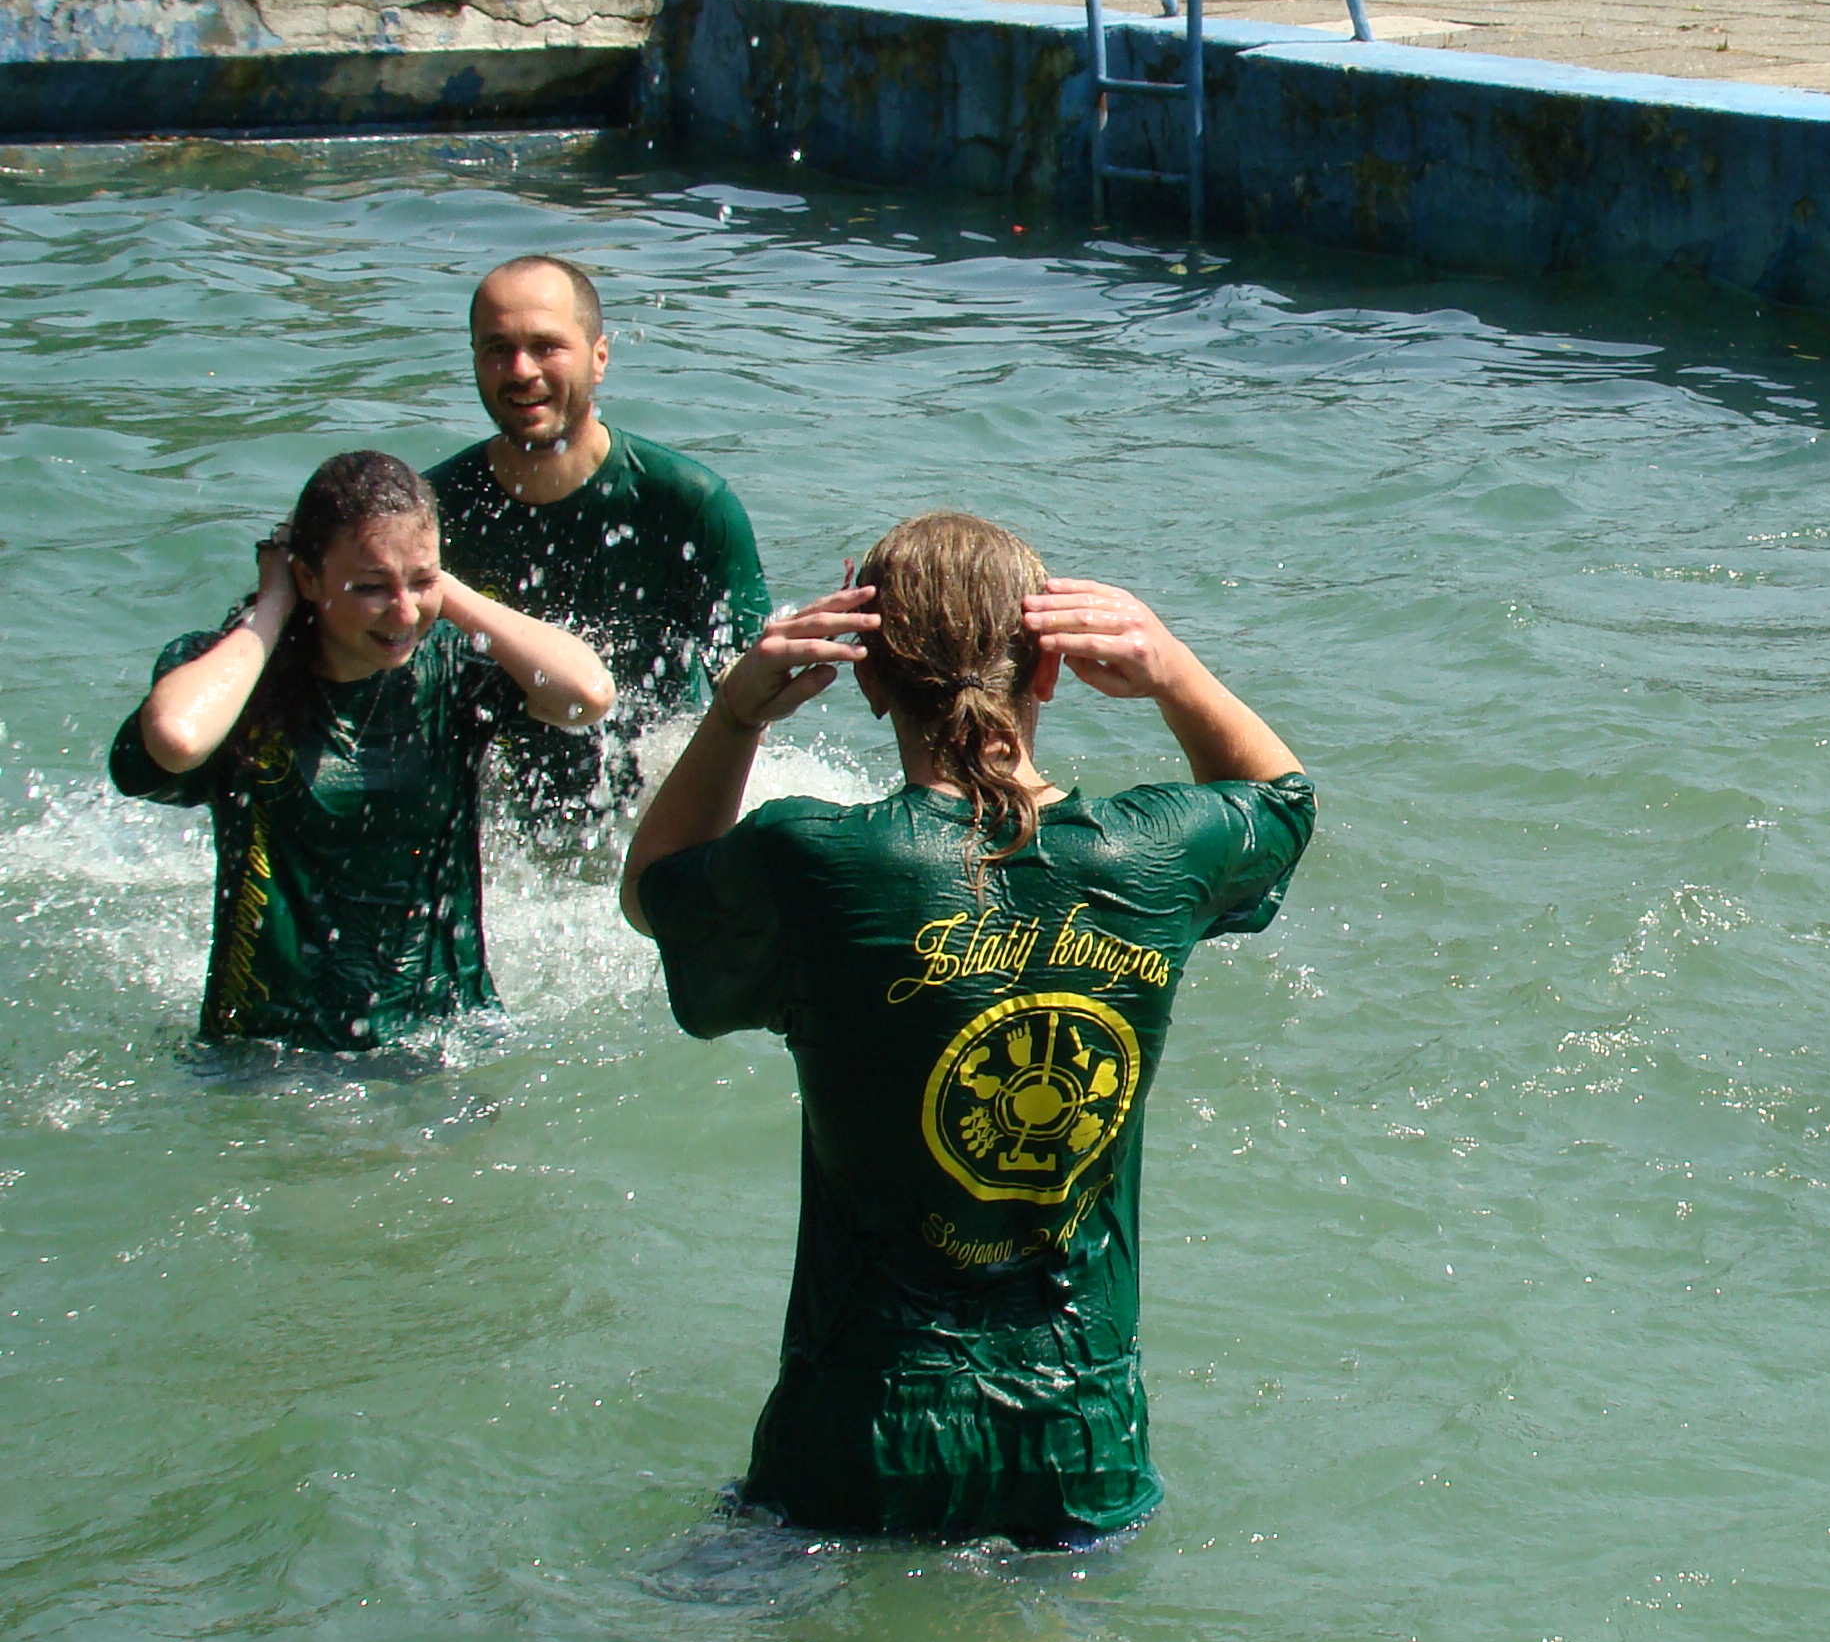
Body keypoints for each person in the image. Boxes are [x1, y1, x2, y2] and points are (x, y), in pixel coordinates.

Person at [618, 513, 1315, 1546]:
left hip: (857, 1436)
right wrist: (1170, 669)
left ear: (867, 679)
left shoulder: (814, 862)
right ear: (1052, 671)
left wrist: (734, 715)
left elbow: (653, 893)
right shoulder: (1154, 854)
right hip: (1081, 1446)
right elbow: (1284, 803)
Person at [109, 451, 616, 1052]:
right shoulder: (237, 678)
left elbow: (587, 696)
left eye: (421, 582)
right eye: (371, 587)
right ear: (308, 579)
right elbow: (177, 739)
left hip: (445, 1037)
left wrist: (442, 590)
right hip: (264, 1051)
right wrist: (272, 605)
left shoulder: (452, 669)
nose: (403, 613)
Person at [428, 254, 769, 824]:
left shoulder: (688, 506)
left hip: (652, 813)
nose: (521, 370)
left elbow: (748, 699)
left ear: (599, 357)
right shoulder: (431, 514)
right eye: (497, 348)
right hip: (494, 818)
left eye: (546, 346)